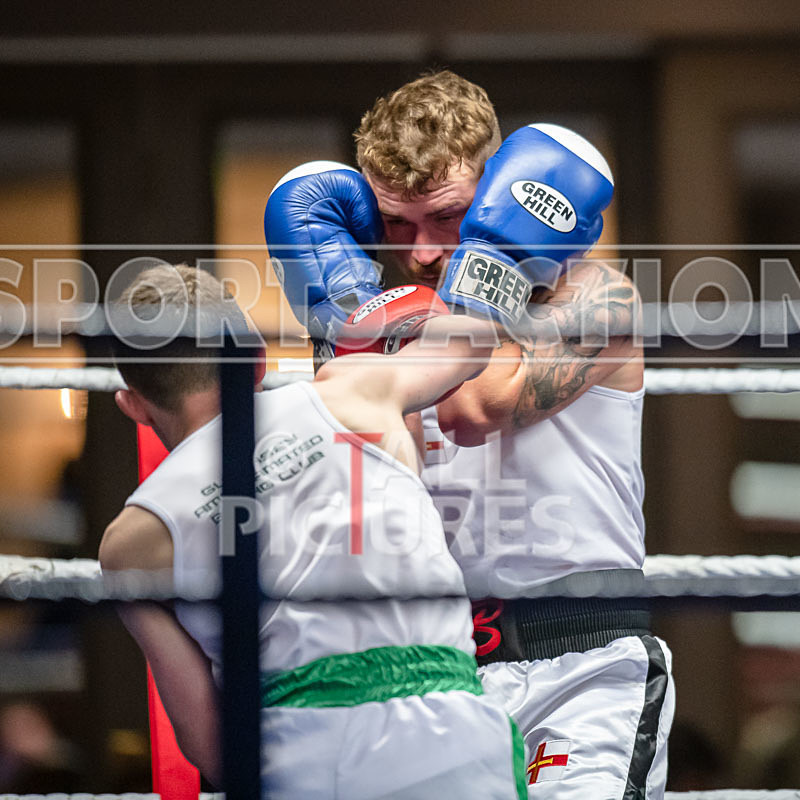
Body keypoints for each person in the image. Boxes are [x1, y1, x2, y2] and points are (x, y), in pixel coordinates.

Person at [265, 69, 675, 799]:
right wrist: (345, 325)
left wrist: (482, 272)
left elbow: (475, 409)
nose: (422, 250)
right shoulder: (378, 319)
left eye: (447, 216)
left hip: (579, 669)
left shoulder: (597, 295)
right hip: (441, 674)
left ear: (500, 195)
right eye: (396, 224)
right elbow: (350, 472)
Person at [98, 263, 526, 799]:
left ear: (133, 405)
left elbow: (210, 744)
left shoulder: (130, 543)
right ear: (256, 358)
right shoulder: (352, 391)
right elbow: (474, 339)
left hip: (299, 766)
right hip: (451, 747)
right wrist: (371, 312)